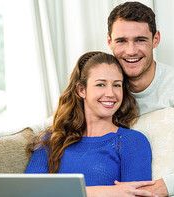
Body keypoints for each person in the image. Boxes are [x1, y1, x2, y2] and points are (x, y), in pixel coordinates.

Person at [0, 1, 174, 196]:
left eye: (140, 40)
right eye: (122, 41)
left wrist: (163, 186)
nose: (130, 51)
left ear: (156, 39)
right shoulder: (60, 132)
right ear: (109, 42)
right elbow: (55, 123)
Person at [25, 51, 155, 197]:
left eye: (117, 85)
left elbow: (136, 194)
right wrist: (105, 192)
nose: (111, 93)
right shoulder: (52, 141)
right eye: (101, 84)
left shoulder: (132, 141)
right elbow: (29, 192)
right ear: (81, 90)